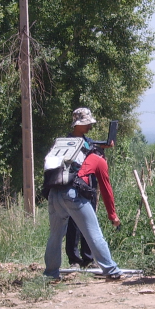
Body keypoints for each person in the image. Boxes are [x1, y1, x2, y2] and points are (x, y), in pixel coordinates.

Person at [44, 109, 122, 281]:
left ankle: (50, 274)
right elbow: (106, 189)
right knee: (94, 233)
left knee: (55, 236)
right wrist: (113, 215)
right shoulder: (98, 159)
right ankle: (111, 270)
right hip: (73, 195)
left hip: (54, 193)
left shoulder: (65, 145)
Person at [65, 108, 98, 268]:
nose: (89, 126)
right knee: (73, 224)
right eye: (86, 124)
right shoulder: (66, 142)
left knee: (90, 222)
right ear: (76, 125)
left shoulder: (90, 142)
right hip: (73, 186)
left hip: (89, 187)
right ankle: (74, 260)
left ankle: (89, 259)